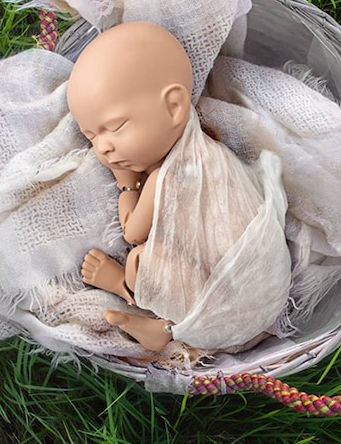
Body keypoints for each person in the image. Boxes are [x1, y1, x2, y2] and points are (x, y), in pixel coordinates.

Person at [67, 21, 291, 352]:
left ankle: (138, 302)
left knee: (140, 259)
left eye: (114, 127)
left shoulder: (163, 179)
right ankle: (167, 327)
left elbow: (132, 232)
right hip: (270, 281)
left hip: (224, 302)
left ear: (175, 106)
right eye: (91, 136)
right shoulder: (213, 150)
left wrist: (127, 186)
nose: (103, 149)